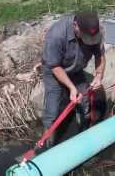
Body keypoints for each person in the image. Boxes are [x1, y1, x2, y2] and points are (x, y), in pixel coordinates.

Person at [41, 11, 105, 148]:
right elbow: (55, 67)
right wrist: (71, 88)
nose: (89, 40)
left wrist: (99, 75)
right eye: (86, 37)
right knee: (52, 111)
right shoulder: (56, 35)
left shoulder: (95, 32)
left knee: (85, 102)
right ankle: (47, 146)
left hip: (76, 69)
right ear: (75, 25)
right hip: (55, 70)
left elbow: (100, 55)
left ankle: (83, 137)